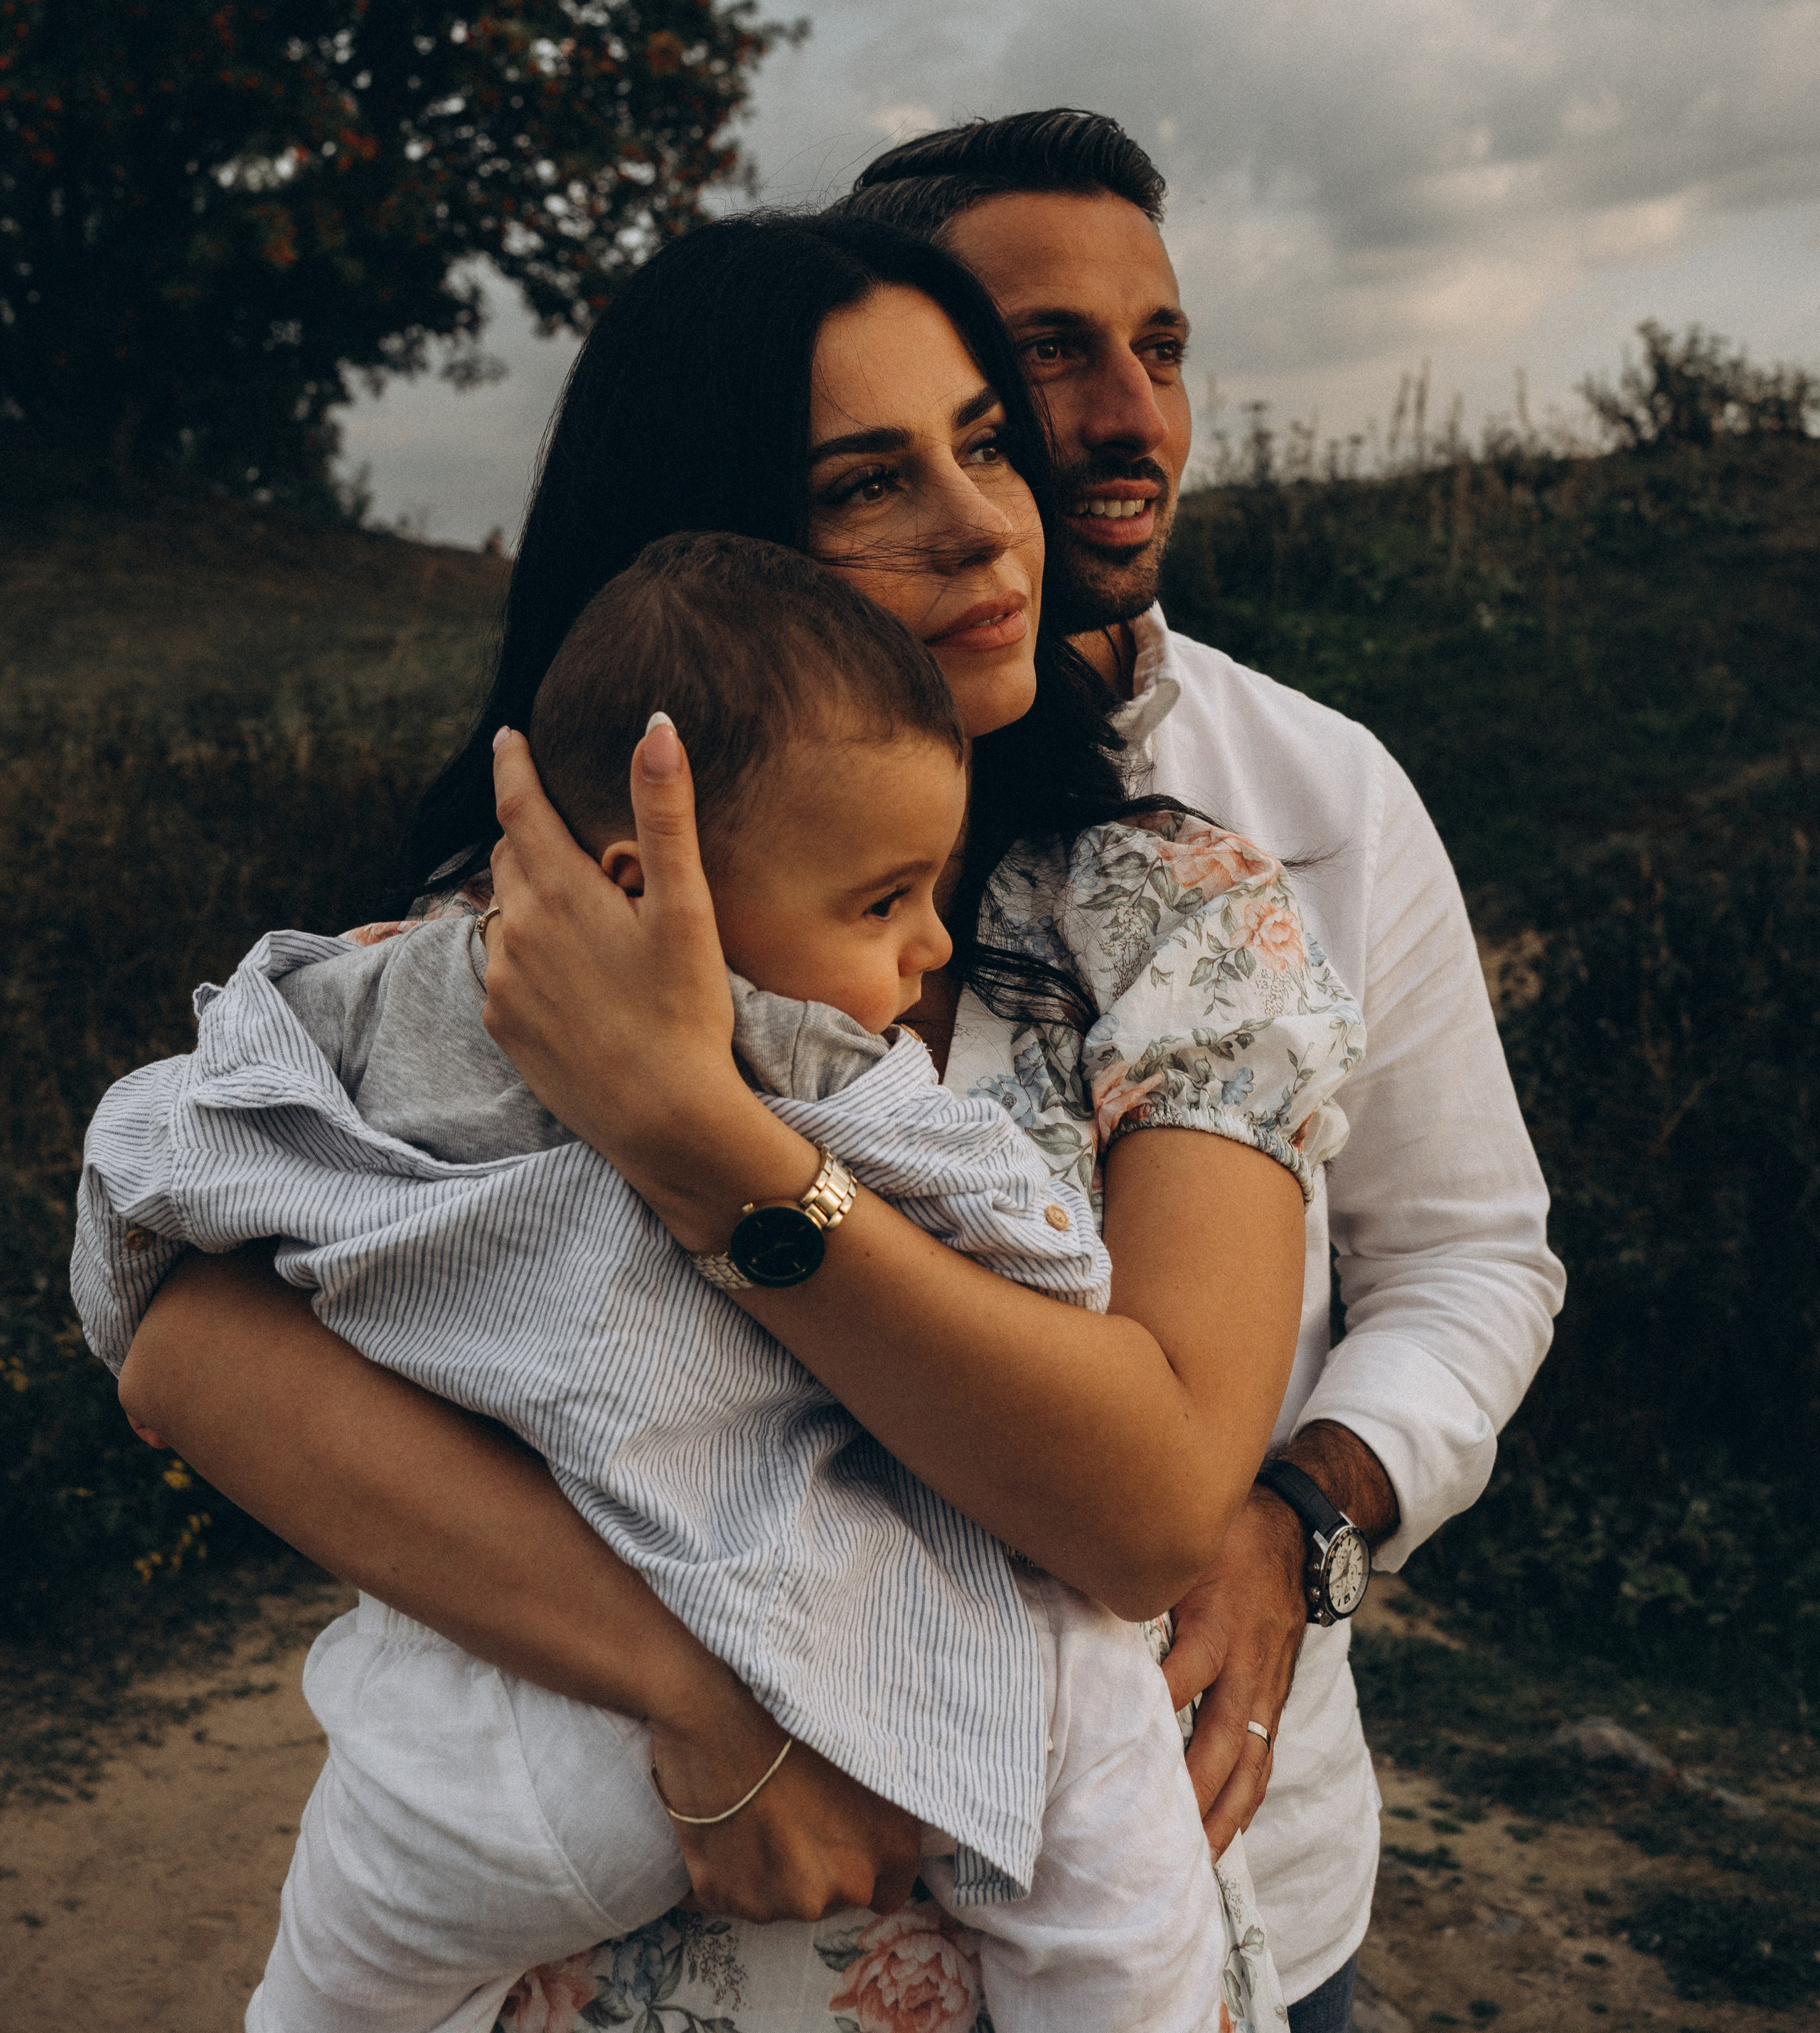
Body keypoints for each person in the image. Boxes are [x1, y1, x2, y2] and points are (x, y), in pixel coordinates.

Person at [114, 215, 1328, 2033]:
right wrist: (716, 1711)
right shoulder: (500, 949)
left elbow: (1146, 1504)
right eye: (866, 481)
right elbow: (187, 1343)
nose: (985, 519)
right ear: (710, 548)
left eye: (984, 442)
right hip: (610, 1962)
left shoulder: (1162, 914)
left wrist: (704, 1141)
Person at [841, 108, 1568, 2033]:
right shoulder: (707, 823)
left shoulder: (1313, 798)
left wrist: (1297, 1515)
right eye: (1045, 353)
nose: (1129, 414)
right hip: (809, 1894)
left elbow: (1476, 1256)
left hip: (1241, 1862)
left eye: (1157, 348)